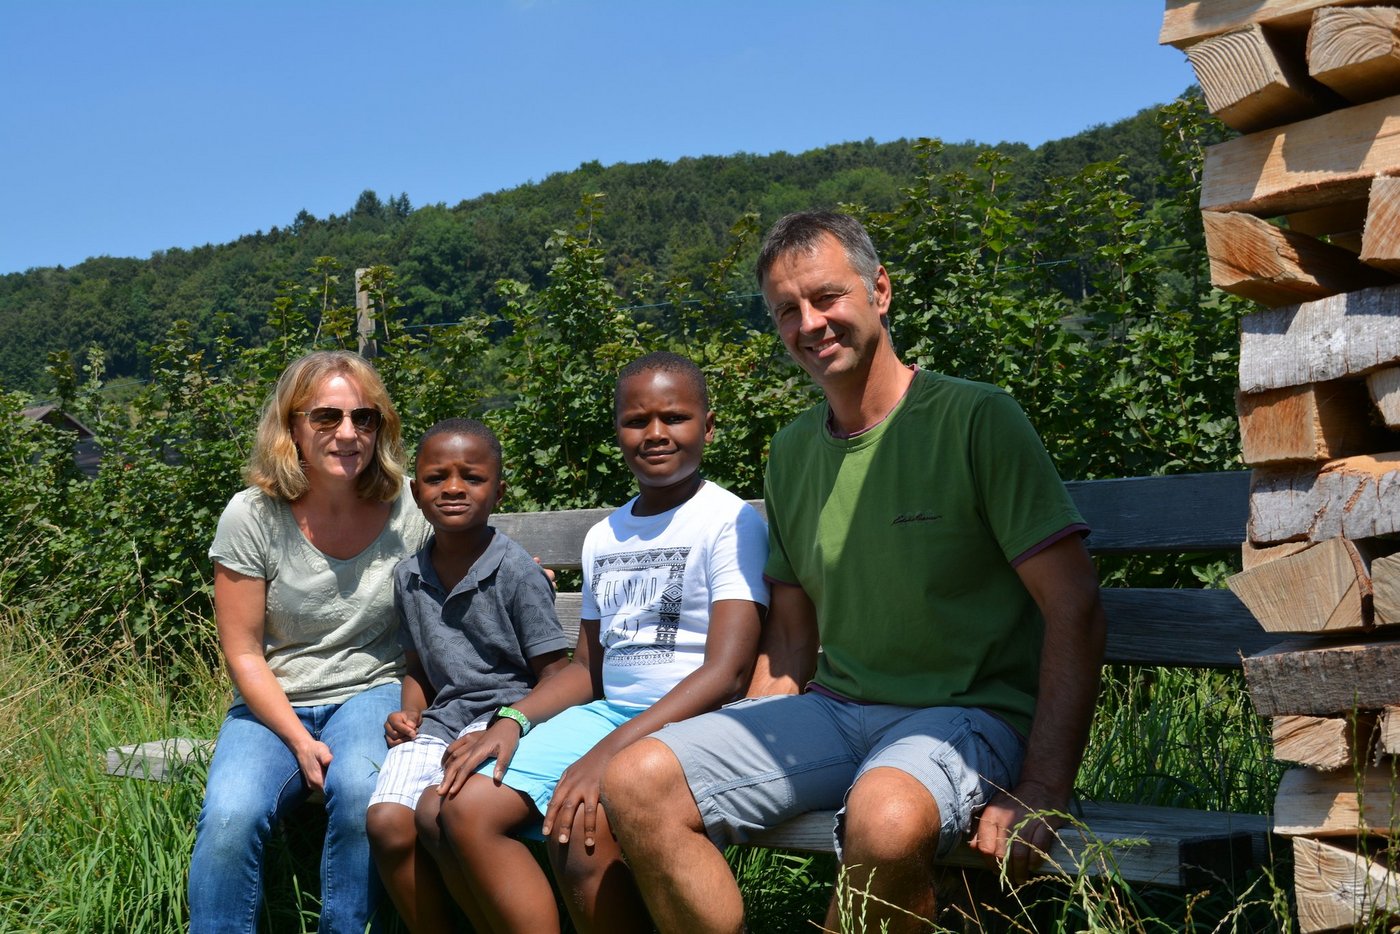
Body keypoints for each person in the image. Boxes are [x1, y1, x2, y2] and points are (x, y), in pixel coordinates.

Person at [603, 212, 1108, 933]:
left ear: (880, 290)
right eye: (786, 310)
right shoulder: (793, 452)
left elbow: (1075, 607)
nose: (809, 323)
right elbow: (790, 640)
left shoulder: (976, 420)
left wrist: (1044, 784)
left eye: (826, 297)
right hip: (837, 714)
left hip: (969, 714)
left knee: (886, 816)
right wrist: (743, 737)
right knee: (636, 781)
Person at [418, 351, 770, 934]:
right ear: (618, 432)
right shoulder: (606, 534)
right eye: (636, 421)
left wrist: (601, 758)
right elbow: (587, 667)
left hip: (693, 717)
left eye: (675, 418)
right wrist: (512, 720)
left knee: (579, 827)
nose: (655, 433)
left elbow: (728, 673)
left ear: (707, 427)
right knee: (453, 808)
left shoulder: (728, 523)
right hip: (610, 714)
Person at [188, 350, 429, 934]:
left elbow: (468, 555)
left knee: (362, 791)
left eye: (363, 419)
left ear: (379, 428)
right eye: (326, 417)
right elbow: (243, 652)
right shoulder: (252, 516)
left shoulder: (408, 509)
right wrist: (298, 739)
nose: (347, 433)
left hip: (371, 689)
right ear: (292, 426)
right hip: (274, 702)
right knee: (230, 816)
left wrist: (518, 569)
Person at [365, 417, 571, 932]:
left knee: (439, 814)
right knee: (387, 822)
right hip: (441, 721)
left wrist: (511, 722)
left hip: (506, 716)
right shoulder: (409, 577)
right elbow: (418, 670)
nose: (453, 488)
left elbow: (556, 674)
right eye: (436, 478)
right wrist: (409, 711)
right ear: (415, 491)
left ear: (497, 491)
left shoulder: (516, 570)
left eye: (472, 478)